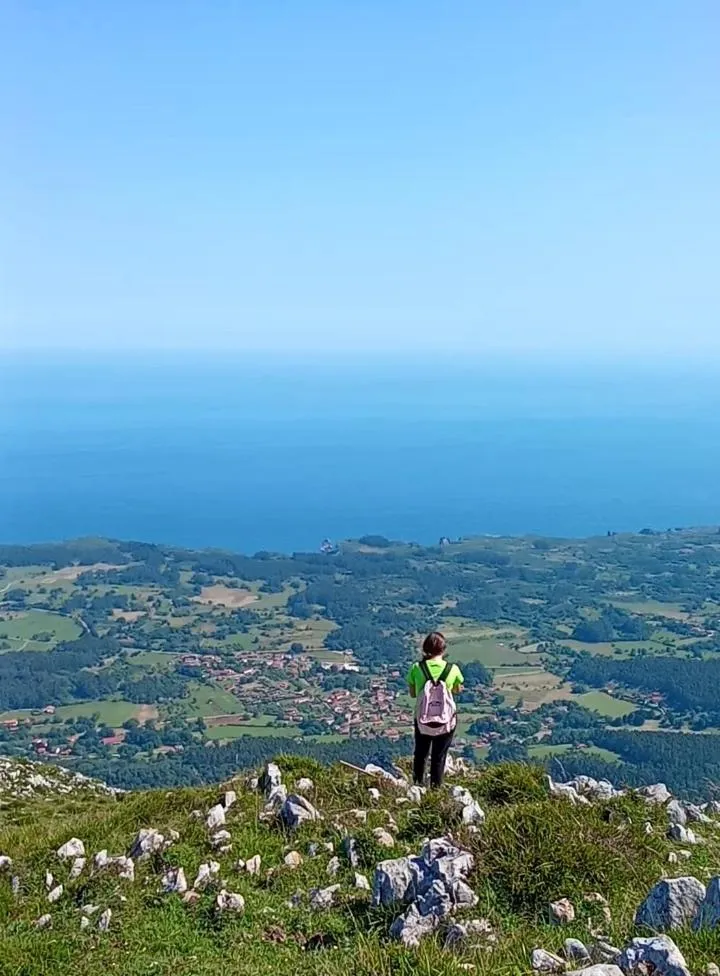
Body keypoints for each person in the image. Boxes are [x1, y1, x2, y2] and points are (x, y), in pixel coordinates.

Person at [407, 631, 464, 788]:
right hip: (445, 720)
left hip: (422, 719)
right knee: (439, 756)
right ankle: (436, 789)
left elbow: (412, 694)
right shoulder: (453, 669)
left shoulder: (416, 668)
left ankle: (417, 786)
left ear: (425, 649)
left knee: (420, 753)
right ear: (443, 649)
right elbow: (457, 690)